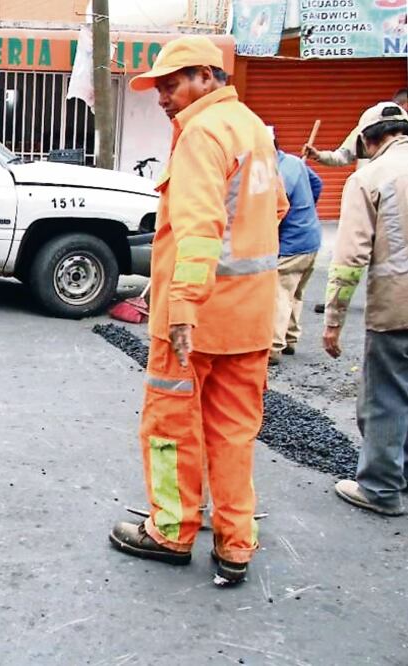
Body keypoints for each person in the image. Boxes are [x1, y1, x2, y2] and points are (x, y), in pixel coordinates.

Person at [106, 36, 288, 586]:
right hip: (250, 318)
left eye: (172, 84)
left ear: (207, 76)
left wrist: (182, 306)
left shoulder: (201, 135)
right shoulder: (252, 127)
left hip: (195, 323)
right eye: (159, 87)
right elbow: (275, 207)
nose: (162, 97)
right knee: (233, 433)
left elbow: (201, 230)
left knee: (169, 429)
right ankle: (236, 543)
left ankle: (171, 530)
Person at [323, 102, 408, 517]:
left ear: (368, 140)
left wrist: (333, 321)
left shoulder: (369, 177)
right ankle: (401, 470)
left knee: (386, 395)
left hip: (398, 306)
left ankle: (380, 487)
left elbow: (348, 259)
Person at [270, 128, 323, 365]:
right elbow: (317, 183)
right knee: (295, 291)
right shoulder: (293, 162)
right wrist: (307, 209)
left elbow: (274, 208)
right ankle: (290, 338)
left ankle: (273, 346)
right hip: (311, 238)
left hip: (292, 243)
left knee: (278, 292)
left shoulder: (278, 173)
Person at [304, 88, 408, 167]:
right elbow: (342, 156)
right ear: (399, 105)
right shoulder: (367, 128)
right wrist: (318, 155)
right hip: (370, 189)